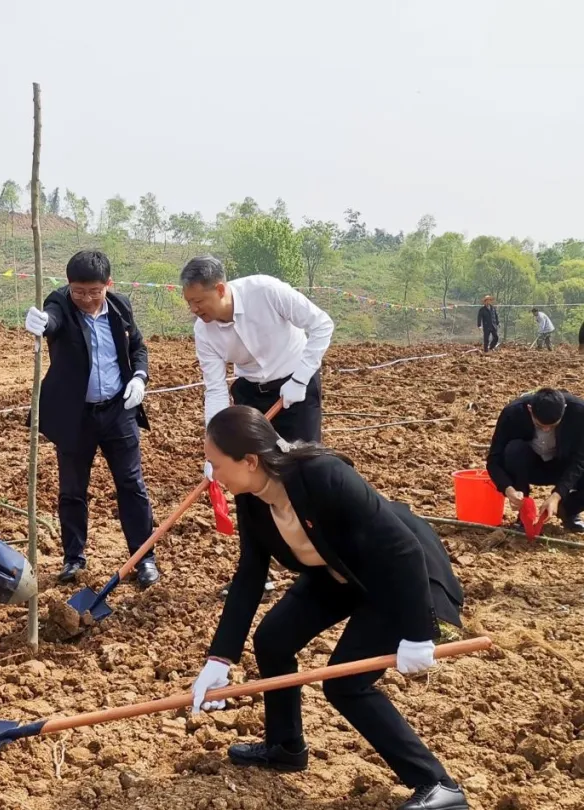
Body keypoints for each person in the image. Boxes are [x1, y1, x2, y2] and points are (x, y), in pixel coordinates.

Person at [190, 406, 468, 810]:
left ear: (249, 461)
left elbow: (403, 548)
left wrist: (417, 632)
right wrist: (220, 658)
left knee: (345, 684)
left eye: (216, 463)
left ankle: (439, 785)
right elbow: (249, 576)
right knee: (273, 640)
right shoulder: (252, 499)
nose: (212, 474)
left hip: (399, 578)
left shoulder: (323, 475)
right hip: (338, 573)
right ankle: (285, 746)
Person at [181, 254, 334, 595]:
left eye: (199, 301)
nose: (195, 310)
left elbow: (322, 324)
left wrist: (301, 377)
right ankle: (254, 571)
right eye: (189, 303)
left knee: (305, 473)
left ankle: (325, 563)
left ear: (220, 289)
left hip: (296, 387)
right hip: (252, 394)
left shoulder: (266, 291)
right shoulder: (203, 331)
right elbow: (216, 388)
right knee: (247, 478)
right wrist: (215, 448)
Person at [23, 250, 158, 587]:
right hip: (75, 415)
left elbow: (138, 347)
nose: (85, 299)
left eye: (94, 292)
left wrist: (139, 377)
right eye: (78, 291)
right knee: (72, 490)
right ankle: (73, 559)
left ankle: (144, 559)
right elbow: (52, 319)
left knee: (131, 485)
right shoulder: (59, 304)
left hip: (117, 410)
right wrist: (40, 324)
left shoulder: (120, 307)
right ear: (69, 286)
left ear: (107, 285)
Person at [486, 387, 584, 532]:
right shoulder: (513, 413)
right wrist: (508, 489)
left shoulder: (579, 413)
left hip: (562, 465)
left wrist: (557, 495)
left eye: (553, 426)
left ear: (564, 409)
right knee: (514, 449)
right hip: (528, 466)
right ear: (530, 409)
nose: (546, 430)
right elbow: (493, 460)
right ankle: (524, 511)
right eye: (539, 425)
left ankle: (568, 510)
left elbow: (580, 460)